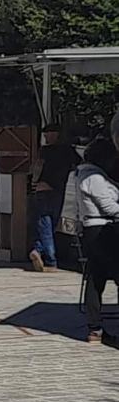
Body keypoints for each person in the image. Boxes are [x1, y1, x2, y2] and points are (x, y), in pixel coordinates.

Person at [75, 138, 119, 343]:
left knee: (96, 278)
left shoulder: (84, 174)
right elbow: (109, 207)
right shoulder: (94, 177)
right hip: (102, 230)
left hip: (91, 230)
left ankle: (95, 327)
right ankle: (96, 325)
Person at [29, 124, 81, 273]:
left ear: (55, 134)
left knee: (44, 222)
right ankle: (38, 251)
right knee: (51, 222)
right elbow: (78, 164)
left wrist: (34, 181)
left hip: (43, 188)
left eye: (47, 135)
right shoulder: (69, 150)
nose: (45, 138)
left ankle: (50, 260)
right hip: (59, 189)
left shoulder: (45, 151)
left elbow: (38, 166)